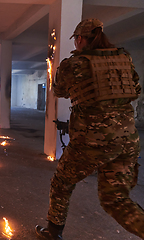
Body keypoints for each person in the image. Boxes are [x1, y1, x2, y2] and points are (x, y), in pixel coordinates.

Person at [35, 19, 144, 239]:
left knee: (61, 183)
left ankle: (53, 233)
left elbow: (59, 91)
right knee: (116, 200)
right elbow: (136, 89)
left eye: (76, 39)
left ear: (80, 39)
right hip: (127, 140)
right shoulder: (124, 59)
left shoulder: (74, 64)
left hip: (93, 142)